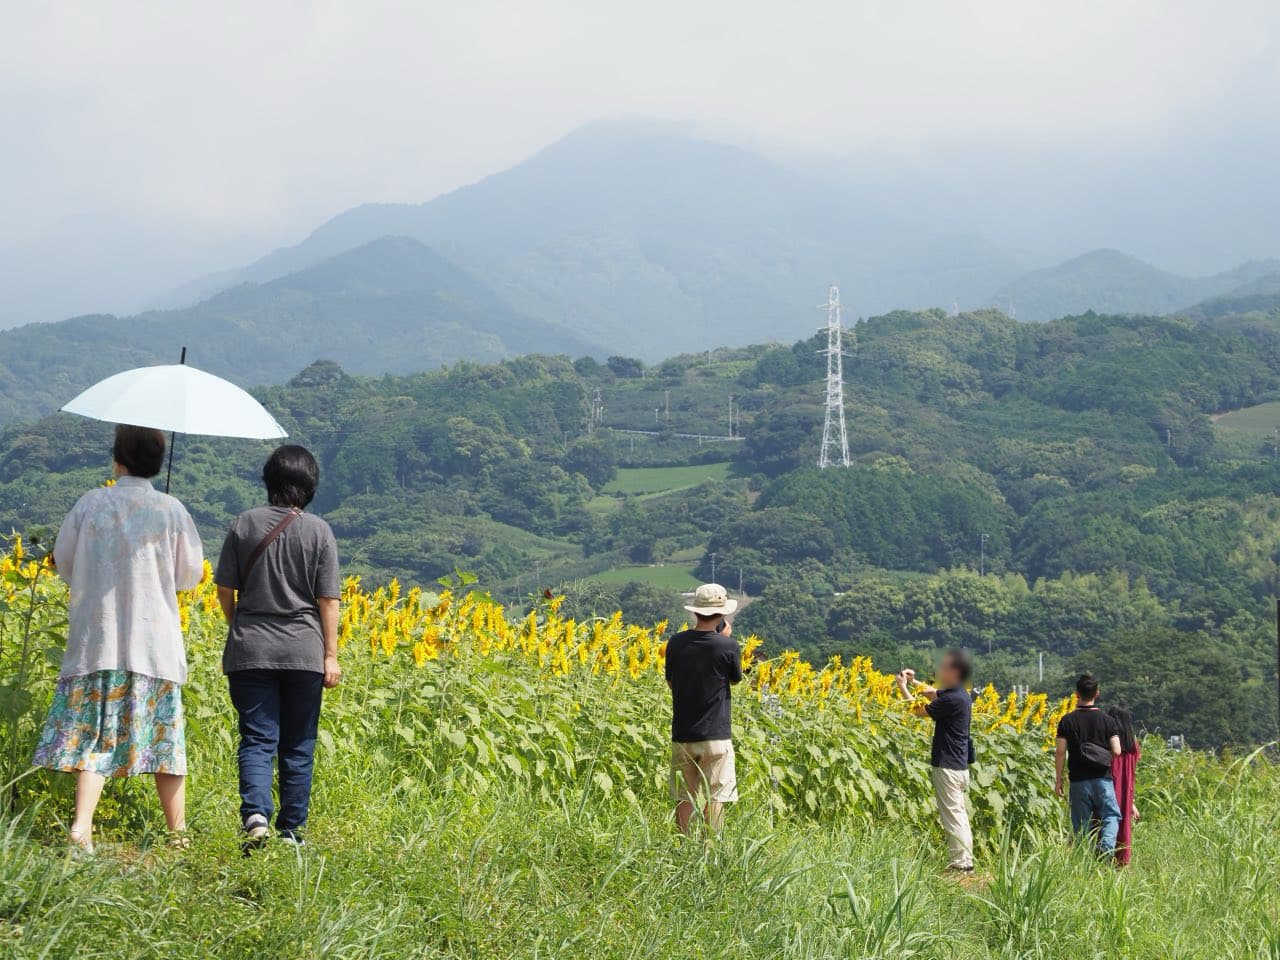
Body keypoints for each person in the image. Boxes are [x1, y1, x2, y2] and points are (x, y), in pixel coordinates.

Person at [34, 425, 204, 854]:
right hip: (154, 645)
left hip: (98, 641)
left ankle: (81, 828)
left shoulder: (91, 504)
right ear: (158, 464)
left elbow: (65, 562)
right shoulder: (171, 509)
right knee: (166, 742)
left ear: (117, 460)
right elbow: (191, 576)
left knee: (96, 739)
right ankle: (178, 835)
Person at [215, 445, 341, 848]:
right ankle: (291, 831)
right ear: (310, 486)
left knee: (257, 738)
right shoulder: (319, 531)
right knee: (298, 743)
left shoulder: (244, 523)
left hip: (250, 650)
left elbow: (223, 588)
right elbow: (328, 601)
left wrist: (240, 625)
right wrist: (331, 656)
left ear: (269, 481)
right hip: (304, 652)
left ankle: (255, 815)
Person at [664, 583, 742, 835]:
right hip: (716, 735)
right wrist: (724, 641)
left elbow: (670, 682)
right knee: (716, 795)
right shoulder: (727, 646)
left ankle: (681, 848)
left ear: (695, 612)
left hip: (683, 733)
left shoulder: (675, 643)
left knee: (684, 796)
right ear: (722, 615)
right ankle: (710, 850)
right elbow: (734, 680)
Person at [896, 650, 975, 873]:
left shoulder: (952, 699)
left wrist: (902, 688)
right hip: (958, 765)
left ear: (955, 672)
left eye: (945, 668)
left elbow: (920, 711)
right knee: (958, 814)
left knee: (953, 818)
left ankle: (961, 866)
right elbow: (932, 693)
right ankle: (964, 862)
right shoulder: (960, 694)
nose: (940, 671)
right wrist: (913, 681)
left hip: (948, 766)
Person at [1054, 674, 1123, 857]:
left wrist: (1058, 779)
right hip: (1103, 778)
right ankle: (1106, 847)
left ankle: (1083, 860)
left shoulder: (1066, 721)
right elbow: (1117, 750)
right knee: (1111, 816)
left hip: (1078, 780)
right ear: (1097, 693)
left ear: (1077, 694)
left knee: (1081, 823)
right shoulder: (1108, 720)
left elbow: (1060, 751)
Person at [1108, 703, 1141, 867]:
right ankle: (1121, 864)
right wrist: (1132, 802)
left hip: (1109, 789)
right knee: (1123, 828)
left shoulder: (1109, 743)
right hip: (1126, 793)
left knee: (1104, 825)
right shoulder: (1133, 746)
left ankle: (1103, 860)